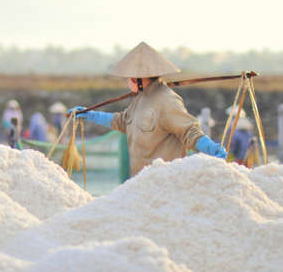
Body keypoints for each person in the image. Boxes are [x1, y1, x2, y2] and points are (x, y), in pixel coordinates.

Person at [69, 41, 227, 177]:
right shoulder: (141, 98)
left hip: (165, 182)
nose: (127, 82)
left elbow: (189, 132)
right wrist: (91, 115)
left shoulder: (167, 100)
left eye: (130, 78)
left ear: (140, 78)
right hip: (141, 182)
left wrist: (209, 148)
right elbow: (123, 121)